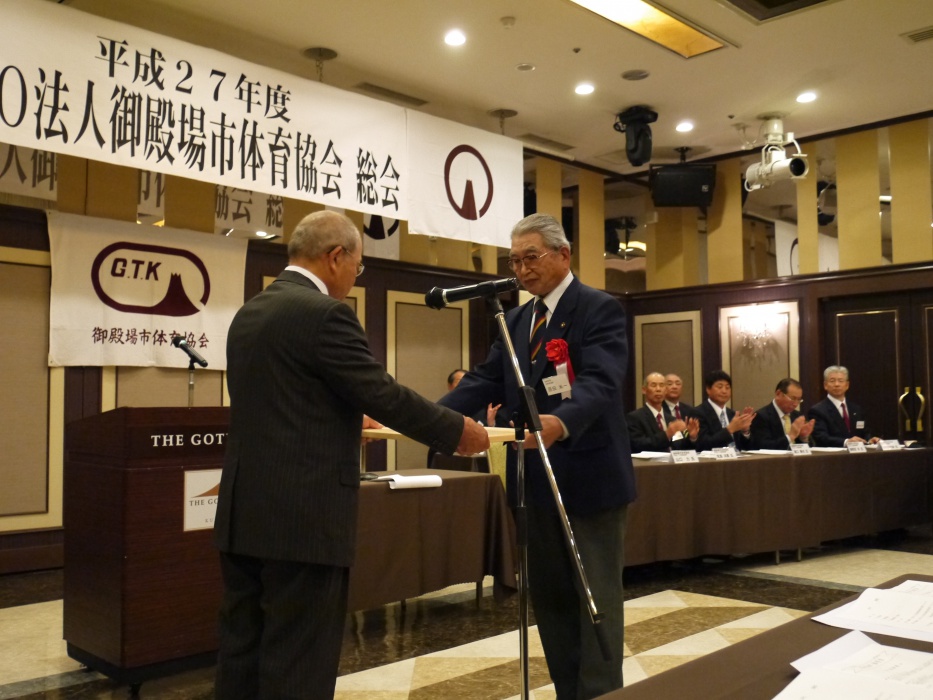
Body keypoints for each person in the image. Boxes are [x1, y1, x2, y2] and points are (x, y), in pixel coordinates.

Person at [213, 210, 489, 700]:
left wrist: (340, 418)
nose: (355, 278)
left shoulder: (250, 312)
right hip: (302, 519)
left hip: (243, 513)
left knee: (244, 654)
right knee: (298, 663)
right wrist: (455, 431)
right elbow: (381, 393)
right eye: (358, 267)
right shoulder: (325, 314)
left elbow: (284, 404)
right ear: (336, 256)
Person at [438, 213, 636, 700]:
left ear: (563, 255)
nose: (522, 269)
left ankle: (600, 694)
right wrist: (426, 418)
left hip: (589, 478)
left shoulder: (598, 308)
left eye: (532, 257)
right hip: (533, 481)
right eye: (514, 261)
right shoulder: (515, 320)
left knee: (595, 601)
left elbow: (601, 382)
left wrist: (560, 422)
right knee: (550, 601)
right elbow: (483, 380)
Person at [807, 365, 880, 447]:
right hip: (834, 454)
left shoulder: (856, 409)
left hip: (858, 453)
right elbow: (821, 437)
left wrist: (869, 440)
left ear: (847, 385)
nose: (837, 384)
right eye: (832, 381)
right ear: (825, 385)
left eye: (840, 381)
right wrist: (846, 442)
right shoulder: (817, 411)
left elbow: (864, 433)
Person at [627, 371, 698, 452]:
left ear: (666, 390)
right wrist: (667, 434)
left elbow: (678, 446)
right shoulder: (635, 417)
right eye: (653, 385)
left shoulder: (671, 419)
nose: (658, 389)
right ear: (644, 390)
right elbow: (638, 445)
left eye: (661, 385)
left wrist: (692, 437)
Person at [690, 370, 755, 451]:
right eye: (720, 387)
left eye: (727, 387)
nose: (724, 391)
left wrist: (745, 431)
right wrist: (729, 430)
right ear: (708, 389)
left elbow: (746, 447)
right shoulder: (698, 413)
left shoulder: (733, 414)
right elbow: (703, 444)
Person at [749, 378, 815, 450]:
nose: (796, 404)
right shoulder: (761, 416)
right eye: (792, 398)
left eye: (799, 400)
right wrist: (790, 436)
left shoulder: (798, 416)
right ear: (778, 394)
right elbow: (763, 446)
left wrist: (803, 437)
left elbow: (810, 449)